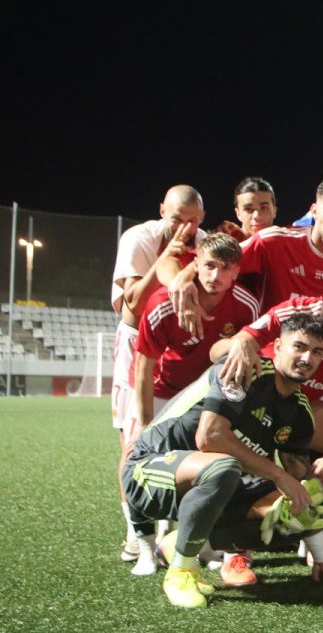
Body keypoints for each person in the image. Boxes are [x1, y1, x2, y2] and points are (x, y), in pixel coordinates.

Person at [121, 313, 323, 608]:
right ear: (276, 347)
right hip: (150, 470)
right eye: (298, 347)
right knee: (224, 466)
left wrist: (321, 556)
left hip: (210, 484)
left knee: (289, 508)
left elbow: (301, 490)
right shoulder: (244, 371)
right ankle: (181, 572)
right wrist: (277, 475)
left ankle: (181, 542)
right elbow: (209, 438)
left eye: (316, 352)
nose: (306, 357)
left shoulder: (300, 413)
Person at [210, 256, 323, 578]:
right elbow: (240, 341)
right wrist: (241, 347)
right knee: (246, 462)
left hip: (300, 407)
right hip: (255, 402)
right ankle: (235, 555)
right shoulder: (296, 311)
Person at [129, 234, 260, 575]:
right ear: (196, 265)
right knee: (135, 456)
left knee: (205, 463)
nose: (215, 275)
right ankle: (142, 543)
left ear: (236, 272)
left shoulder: (246, 305)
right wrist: (144, 422)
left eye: (225, 268)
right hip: (163, 390)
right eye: (209, 266)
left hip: (206, 394)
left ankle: (194, 539)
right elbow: (143, 367)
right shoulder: (163, 304)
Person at [110, 184, 206, 562]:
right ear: (161, 211)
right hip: (138, 340)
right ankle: (135, 533)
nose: (185, 229)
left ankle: (171, 528)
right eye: (178, 219)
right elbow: (131, 306)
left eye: (194, 222)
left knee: (185, 437)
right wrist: (167, 261)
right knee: (135, 439)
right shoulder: (138, 238)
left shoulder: (204, 241)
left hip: (180, 341)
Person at [165, 178, 323, 335]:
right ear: (314, 211)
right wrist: (183, 277)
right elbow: (186, 261)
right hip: (264, 345)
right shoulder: (274, 240)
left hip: (314, 355)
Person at [217, 177, 278, 242]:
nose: (257, 216)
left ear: (274, 211)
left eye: (264, 208)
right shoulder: (225, 245)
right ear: (238, 214)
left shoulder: (287, 241)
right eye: (248, 209)